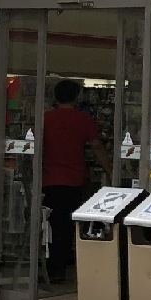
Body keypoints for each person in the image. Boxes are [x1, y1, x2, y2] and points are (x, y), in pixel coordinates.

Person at [40, 78, 110, 287]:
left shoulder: (46, 119)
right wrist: (111, 170)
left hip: (49, 180)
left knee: (51, 225)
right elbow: (97, 147)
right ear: (77, 97)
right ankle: (61, 267)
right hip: (74, 180)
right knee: (67, 226)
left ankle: (51, 267)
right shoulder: (83, 120)